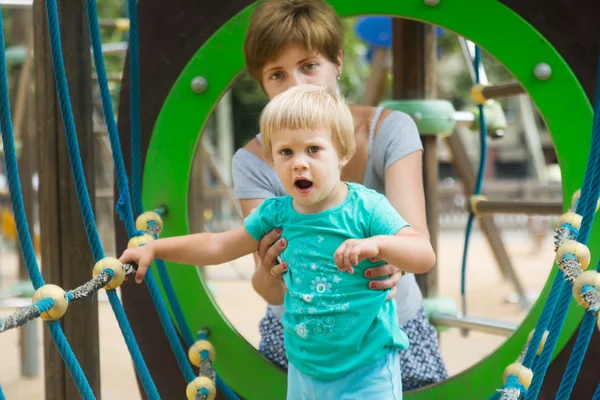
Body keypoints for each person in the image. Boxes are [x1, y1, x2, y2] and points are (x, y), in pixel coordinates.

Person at [120, 84, 435, 399]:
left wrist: (379, 244)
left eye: (313, 149)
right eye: (286, 152)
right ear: (272, 160)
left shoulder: (366, 208)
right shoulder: (275, 215)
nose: (299, 162)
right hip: (305, 370)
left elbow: (423, 255)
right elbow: (218, 246)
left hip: (367, 370)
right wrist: (156, 248)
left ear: (343, 153)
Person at [232, 0, 448, 391]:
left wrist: (391, 253)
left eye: (309, 66)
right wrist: (268, 270)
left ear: (337, 62)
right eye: (277, 74)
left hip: (387, 327)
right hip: (303, 340)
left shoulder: (390, 130)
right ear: (262, 84)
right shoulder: (253, 161)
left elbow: (416, 242)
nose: (296, 84)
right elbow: (269, 284)